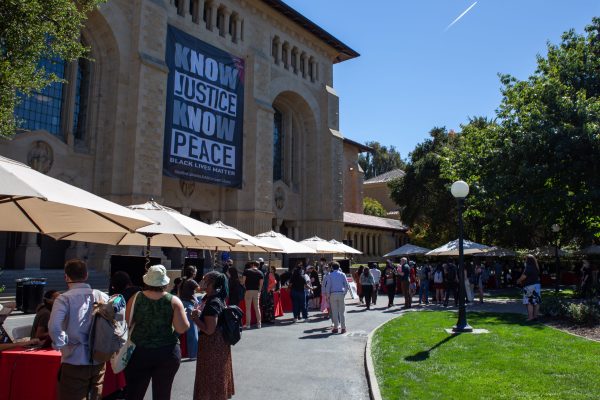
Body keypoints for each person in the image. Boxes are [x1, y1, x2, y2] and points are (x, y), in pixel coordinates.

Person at [124, 264, 189, 400]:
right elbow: (181, 328)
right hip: (167, 352)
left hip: (139, 351)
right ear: (164, 282)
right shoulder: (173, 301)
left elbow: (127, 323)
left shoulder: (136, 298)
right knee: (162, 394)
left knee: (134, 393)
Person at [48, 259, 109, 400]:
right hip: (98, 359)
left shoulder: (64, 299)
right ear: (86, 275)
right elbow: (117, 320)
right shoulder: (102, 295)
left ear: (66, 277)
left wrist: (63, 346)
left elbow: (54, 326)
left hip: (74, 360)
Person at [191, 271, 235, 400]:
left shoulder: (213, 302)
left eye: (205, 279)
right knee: (215, 378)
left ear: (212, 283)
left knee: (211, 379)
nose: (202, 281)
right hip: (217, 345)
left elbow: (210, 330)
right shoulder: (213, 298)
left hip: (212, 346)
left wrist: (195, 318)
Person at [179, 265, 201, 360]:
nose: (196, 272)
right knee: (192, 330)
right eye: (195, 271)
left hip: (183, 305)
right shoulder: (191, 281)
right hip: (189, 306)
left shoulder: (183, 281)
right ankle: (193, 354)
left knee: (181, 330)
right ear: (193, 273)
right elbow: (200, 289)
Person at [324, 262, 350, 334]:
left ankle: (335, 327)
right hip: (341, 293)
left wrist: (327, 296)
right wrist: (344, 293)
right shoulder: (342, 274)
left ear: (332, 268)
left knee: (334, 312)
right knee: (341, 312)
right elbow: (347, 285)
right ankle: (343, 328)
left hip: (333, 294)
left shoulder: (330, 275)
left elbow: (328, 286)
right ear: (339, 267)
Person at [517, 255, 541, 321]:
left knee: (529, 302)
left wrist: (518, 281)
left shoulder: (528, 267)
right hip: (537, 285)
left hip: (529, 286)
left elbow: (524, 276)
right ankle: (535, 317)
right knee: (536, 301)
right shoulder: (536, 267)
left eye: (525, 259)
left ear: (528, 260)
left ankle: (530, 317)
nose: (524, 261)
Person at [241, 260, 264, 328]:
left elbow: (243, 282)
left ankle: (248, 325)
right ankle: (259, 324)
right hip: (256, 291)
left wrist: (245, 287)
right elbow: (261, 284)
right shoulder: (260, 273)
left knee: (248, 308)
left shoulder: (247, 271)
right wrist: (259, 291)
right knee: (257, 308)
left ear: (253, 265)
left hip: (248, 290)